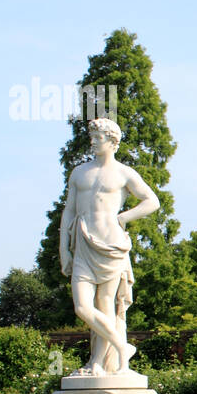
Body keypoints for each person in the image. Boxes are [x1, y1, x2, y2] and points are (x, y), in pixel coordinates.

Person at [59, 117, 159, 375]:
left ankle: (97, 362)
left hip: (112, 246)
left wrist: (124, 217)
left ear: (112, 141)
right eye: (91, 137)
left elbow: (152, 201)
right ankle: (121, 346)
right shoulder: (79, 172)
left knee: (105, 305)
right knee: (82, 307)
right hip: (83, 244)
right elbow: (68, 212)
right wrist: (64, 249)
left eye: (98, 137)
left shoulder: (124, 173)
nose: (92, 141)